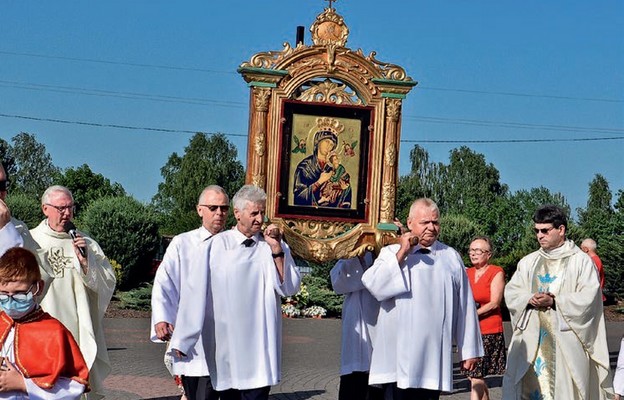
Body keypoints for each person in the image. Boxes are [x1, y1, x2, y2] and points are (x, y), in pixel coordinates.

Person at [170, 185, 301, 400]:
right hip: (227, 345)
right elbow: (195, 293)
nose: (260, 219)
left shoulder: (272, 246)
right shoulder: (215, 246)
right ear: (238, 214)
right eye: (254, 213)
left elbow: (289, 288)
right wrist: (184, 339)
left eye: (262, 212)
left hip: (260, 345)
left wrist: (277, 250)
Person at [362, 198, 483, 400]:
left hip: (433, 355)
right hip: (397, 354)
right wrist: (402, 252)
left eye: (435, 222)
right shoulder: (391, 252)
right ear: (410, 224)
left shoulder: (450, 256)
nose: (431, 228)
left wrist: (468, 349)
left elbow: (465, 306)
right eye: (425, 222)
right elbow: (374, 285)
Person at [503, 205, 613, 399]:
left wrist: (555, 302)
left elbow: (589, 298)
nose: (539, 235)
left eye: (545, 230)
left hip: (565, 344)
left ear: (561, 230)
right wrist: (528, 298)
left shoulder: (580, 261)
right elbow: (512, 292)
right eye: (536, 231)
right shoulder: (529, 262)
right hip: (532, 343)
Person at [30, 185, 116, 399]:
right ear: (45, 209)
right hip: (42, 330)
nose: (67, 213)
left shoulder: (85, 243)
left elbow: (107, 282)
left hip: (78, 328)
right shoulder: (31, 241)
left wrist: (87, 263)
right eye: (61, 208)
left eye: (70, 208)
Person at [151, 185, 229, 400]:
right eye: (213, 208)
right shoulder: (182, 243)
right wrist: (162, 318)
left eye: (224, 208)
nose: (219, 213)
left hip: (227, 336)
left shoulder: (235, 244)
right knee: (196, 391)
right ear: (199, 210)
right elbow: (165, 282)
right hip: (193, 340)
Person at [0, 247, 89, 399]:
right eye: (3, 295)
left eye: (19, 294)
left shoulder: (54, 332)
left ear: (38, 287)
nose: (10, 302)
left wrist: (23, 384)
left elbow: (76, 384)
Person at [330, 251, 383, 400]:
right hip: (359, 330)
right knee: (354, 384)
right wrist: (357, 256)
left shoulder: (395, 250)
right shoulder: (353, 252)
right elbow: (338, 283)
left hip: (385, 322)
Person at [463, 236, 506, 400]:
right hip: (469, 330)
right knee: (473, 376)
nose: (474, 254)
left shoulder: (496, 272)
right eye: (471, 250)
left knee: (475, 376)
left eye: (478, 251)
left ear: (488, 254)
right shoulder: (467, 272)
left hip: (488, 330)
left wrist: (472, 315)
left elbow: (494, 303)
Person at [293, 126, 351, 208]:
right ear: (318, 141)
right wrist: (319, 182)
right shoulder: (305, 166)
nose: (329, 146)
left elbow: (346, 188)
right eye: (327, 142)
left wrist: (344, 188)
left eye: (332, 144)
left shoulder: (335, 167)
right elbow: (298, 196)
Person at [0, 163, 39, 256]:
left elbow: (37, 269)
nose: (0, 193)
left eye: (2, 185)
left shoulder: (19, 229)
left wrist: (7, 230)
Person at [581, 238, 606, 302]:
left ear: (586, 249)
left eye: (581, 249)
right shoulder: (596, 259)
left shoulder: (592, 261)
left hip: (593, 296)